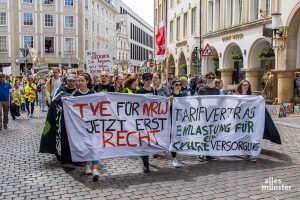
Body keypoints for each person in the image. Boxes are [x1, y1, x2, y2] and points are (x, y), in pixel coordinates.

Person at [71, 73, 100, 181]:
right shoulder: (75, 94)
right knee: (85, 145)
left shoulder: (93, 93)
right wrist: (65, 101)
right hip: (81, 124)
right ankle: (87, 165)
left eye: (82, 80)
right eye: (78, 80)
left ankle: (95, 168)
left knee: (94, 144)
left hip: (92, 124)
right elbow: (70, 105)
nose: (79, 82)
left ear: (87, 81)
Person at [136, 73, 155, 173]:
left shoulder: (153, 91)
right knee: (145, 141)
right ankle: (146, 164)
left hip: (152, 120)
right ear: (143, 80)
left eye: (150, 79)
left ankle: (144, 155)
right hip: (142, 119)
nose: (149, 81)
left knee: (150, 140)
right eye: (147, 79)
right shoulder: (139, 91)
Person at [198, 72, 219, 162]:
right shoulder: (202, 89)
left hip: (213, 114)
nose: (211, 79)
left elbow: (219, 101)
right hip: (204, 114)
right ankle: (201, 153)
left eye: (212, 78)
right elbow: (198, 101)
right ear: (206, 78)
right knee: (204, 134)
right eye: (209, 77)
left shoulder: (217, 89)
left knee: (212, 134)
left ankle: (209, 153)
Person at [169, 80, 186, 168]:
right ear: (173, 86)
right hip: (172, 121)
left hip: (182, 120)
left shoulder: (183, 96)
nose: (178, 86)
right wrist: (170, 102)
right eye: (176, 84)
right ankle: (174, 157)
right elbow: (164, 109)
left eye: (180, 84)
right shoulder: (169, 96)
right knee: (173, 139)